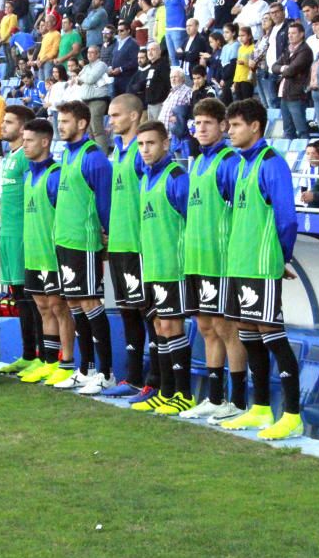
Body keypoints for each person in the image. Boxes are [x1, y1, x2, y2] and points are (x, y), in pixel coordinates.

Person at [218, 98, 302, 441]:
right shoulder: (239, 165)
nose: (230, 132)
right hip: (239, 261)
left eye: (236, 125)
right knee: (248, 334)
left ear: (255, 126)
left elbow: (287, 218)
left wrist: (282, 257)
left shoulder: (271, 164)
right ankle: (261, 408)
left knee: (272, 335)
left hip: (260, 262)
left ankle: (293, 415)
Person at [175, 97, 248, 423]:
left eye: (207, 123)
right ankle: (215, 398)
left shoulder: (229, 161)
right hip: (196, 258)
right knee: (205, 327)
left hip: (219, 259)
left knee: (226, 327)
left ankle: (239, 400)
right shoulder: (198, 163)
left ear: (222, 127)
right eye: (197, 123)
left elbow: (243, 211)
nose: (200, 128)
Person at [126, 120, 193, 415]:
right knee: (158, 326)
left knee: (173, 327)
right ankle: (166, 392)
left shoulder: (177, 177)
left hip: (172, 267)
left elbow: (191, 221)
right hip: (151, 266)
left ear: (166, 143)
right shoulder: (145, 178)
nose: (145, 150)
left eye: (150, 143)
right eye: (140, 145)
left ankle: (184, 394)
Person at [100, 93, 159, 404]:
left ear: (135, 116)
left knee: (149, 313)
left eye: (116, 115)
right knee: (127, 312)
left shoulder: (141, 153)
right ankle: (134, 378)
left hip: (138, 246)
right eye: (109, 115)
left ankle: (155, 380)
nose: (111, 121)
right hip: (120, 244)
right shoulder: (119, 152)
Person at [52, 100, 114, 395]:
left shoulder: (94, 158)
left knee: (90, 303)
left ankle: (106, 372)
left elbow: (104, 202)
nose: (60, 126)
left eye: (65, 121)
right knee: (75, 304)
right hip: (64, 240)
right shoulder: (66, 155)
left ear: (82, 124)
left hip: (84, 242)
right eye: (59, 121)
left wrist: (108, 234)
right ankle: (86, 368)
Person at [16, 117, 79, 386]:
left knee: (59, 306)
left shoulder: (55, 175)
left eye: (29, 141)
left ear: (45, 142)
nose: (24, 145)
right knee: (43, 306)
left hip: (52, 254)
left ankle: (67, 363)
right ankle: (49, 361)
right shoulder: (29, 174)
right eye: (23, 140)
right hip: (33, 252)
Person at [0, 105, 46, 376]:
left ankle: (41, 353)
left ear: (23, 126)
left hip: (24, 235)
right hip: (8, 234)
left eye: (10, 122)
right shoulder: (11, 156)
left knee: (31, 297)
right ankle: (28, 354)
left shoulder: (26, 159)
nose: (4, 126)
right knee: (18, 296)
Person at [271, 21, 312, 139]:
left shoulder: (305, 50)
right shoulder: (287, 50)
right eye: (289, 33)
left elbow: (292, 70)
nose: (290, 35)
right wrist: (283, 67)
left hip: (296, 94)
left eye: (293, 33)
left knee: (301, 129)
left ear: (302, 34)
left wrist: (283, 70)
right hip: (285, 93)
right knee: (287, 129)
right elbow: (274, 67)